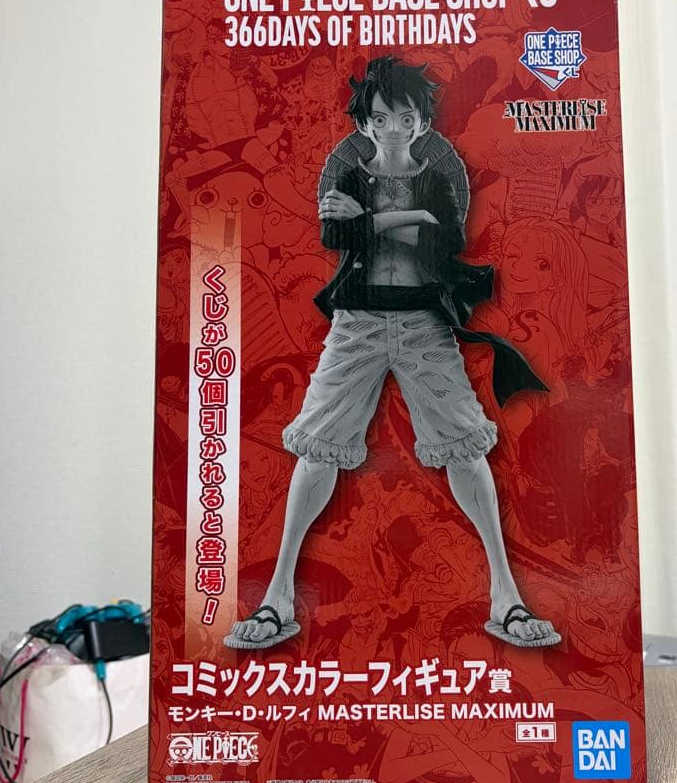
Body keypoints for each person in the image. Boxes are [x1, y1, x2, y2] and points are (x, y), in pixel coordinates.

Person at [224, 56, 561, 651]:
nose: (394, 127)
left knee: (465, 445)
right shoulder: (349, 176)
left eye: (406, 117)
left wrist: (375, 220)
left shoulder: (438, 175)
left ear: (422, 121)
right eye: (381, 118)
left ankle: (505, 597)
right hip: (355, 322)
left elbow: (444, 242)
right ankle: (278, 597)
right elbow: (335, 234)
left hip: (426, 322)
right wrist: (408, 220)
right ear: (365, 124)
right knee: (318, 446)